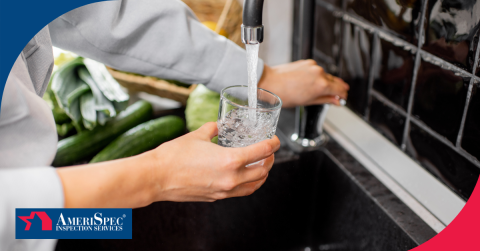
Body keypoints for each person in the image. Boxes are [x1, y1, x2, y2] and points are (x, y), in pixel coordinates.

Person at [0, 0, 349, 250]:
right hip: (25, 218)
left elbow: (97, 13)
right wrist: (158, 175)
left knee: (109, 226)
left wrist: (262, 75)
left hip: (43, 215)